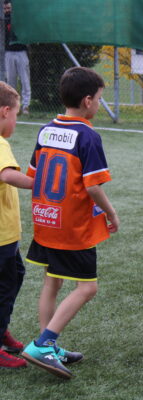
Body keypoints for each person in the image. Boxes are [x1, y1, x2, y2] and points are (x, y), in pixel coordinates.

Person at [22, 67, 120, 379]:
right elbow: (93, 187)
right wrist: (111, 213)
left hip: (46, 219)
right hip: (72, 227)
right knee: (88, 288)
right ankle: (43, 344)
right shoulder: (88, 135)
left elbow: (33, 176)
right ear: (88, 101)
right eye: (99, 99)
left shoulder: (46, 130)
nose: (99, 104)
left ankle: (47, 346)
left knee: (52, 282)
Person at [0, 81, 32, 369]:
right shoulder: (0, 143)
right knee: (5, 285)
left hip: (6, 236)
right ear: (4, 111)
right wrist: (40, 183)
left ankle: (2, 328)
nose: (16, 122)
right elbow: (8, 175)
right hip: (2, 236)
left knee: (15, 276)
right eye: (16, 115)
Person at [3, 1, 30, 115]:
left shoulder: (20, 19)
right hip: (8, 53)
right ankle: (12, 106)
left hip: (21, 52)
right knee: (10, 81)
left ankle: (26, 106)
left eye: (9, 8)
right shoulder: (3, 21)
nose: (7, 11)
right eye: (5, 9)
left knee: (25, 80)